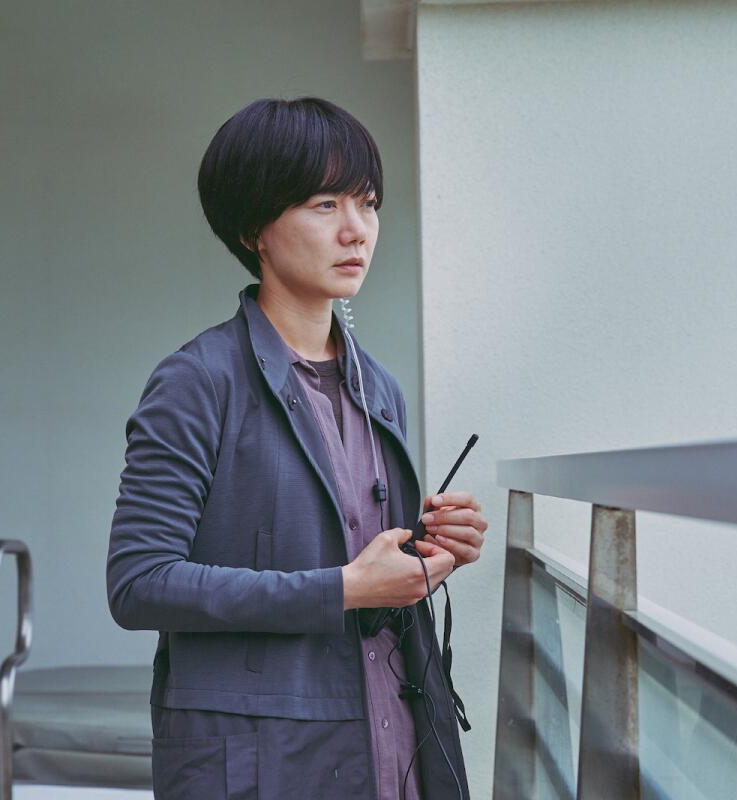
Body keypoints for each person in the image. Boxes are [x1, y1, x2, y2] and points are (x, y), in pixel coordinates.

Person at [106, 96, 488, 800]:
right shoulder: (197, 382)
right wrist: (343, 588)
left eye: (367, 203)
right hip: (265, 761)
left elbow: (370, 578)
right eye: (324, 204)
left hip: (392, 740)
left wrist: (431, 555)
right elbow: (138, 582)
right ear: (256, 226)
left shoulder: (378, 388)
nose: (357, 231)